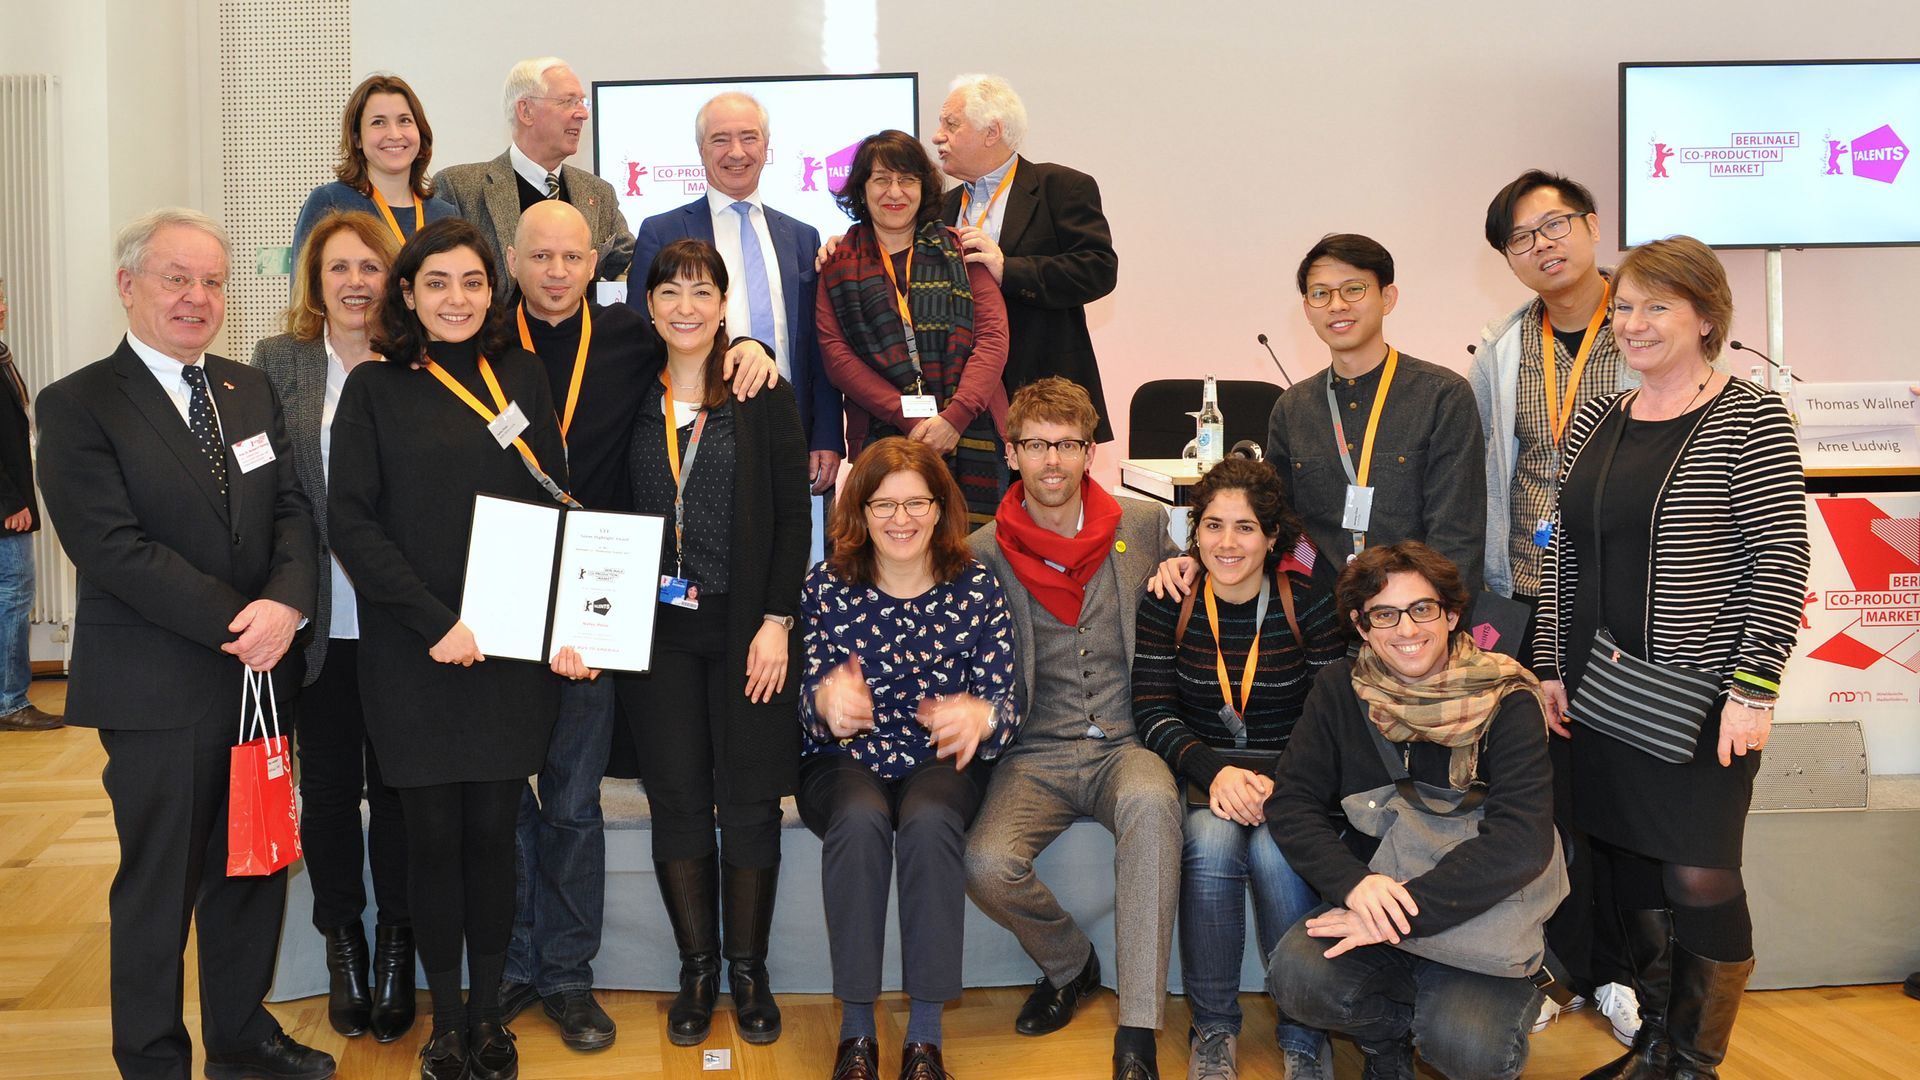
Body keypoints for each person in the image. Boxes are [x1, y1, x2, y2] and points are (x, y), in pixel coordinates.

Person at [36, 208, 331, 1079]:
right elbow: (111, 547)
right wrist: (243, 622)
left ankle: (242, 1043)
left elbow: (290, 513)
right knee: (158, 892)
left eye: (212, 281)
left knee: (251, 872)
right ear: (129, 287)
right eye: (177, 278)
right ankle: (154, 1059)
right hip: (158, 691)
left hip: (260, 683)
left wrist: (286, 605)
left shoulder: (247, 389)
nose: (197, 298)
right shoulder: (79, 403)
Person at [497, 204, 776, 1052]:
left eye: (570, 256)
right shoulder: (519, 349)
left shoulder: (703, 366)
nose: (554, 269)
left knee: (704, 801)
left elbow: (784, 516)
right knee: (623, 798)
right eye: (538, 255)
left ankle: (704, 974)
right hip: (575, 606)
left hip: (679, 615)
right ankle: (650, 971)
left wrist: (777, 619)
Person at [1531, 236, 1810, 1080]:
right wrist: (1548, 664)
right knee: (1628, 866)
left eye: (1657, 306)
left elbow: (1780, 556)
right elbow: (1561, 553)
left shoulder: (1750, 413)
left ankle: (1694, 1060)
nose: (1633, 323)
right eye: (1624, 307)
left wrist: (1754, 688)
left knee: (1698, 874)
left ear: (1706, 317)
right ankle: (1655, 1042)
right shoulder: (1598, 415)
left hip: (1700, 698)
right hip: (1596, 689)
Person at [328, 217, 569, 1080]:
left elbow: (554, 510)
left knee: (493, 837)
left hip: (506, 657)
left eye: (472, 282)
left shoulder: (524, 376)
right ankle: (446, 1023)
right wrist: (435, 622)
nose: (456, 299)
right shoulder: (374, 390)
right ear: (407, 294)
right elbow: (350, 521)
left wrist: (562, 623)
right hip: (414, 652)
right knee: (430, 840)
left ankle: (491, 1019)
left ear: (492, 290)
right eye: (437, 284)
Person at [594, 238, 809, 1051]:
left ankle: (748, 971)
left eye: (701, 291)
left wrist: (776, 621)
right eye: (670, 291)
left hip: (745, 624)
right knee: (677, 798)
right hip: (656, 630)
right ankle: (697, 968)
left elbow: (795, 519)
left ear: (725, 306)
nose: (685, 306)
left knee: (749, 799)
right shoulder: (627, 390)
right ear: (647, 305)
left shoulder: (761, 391)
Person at [1265, 541, 1558, 1080]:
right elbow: (1291, 803)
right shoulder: (1339, 690)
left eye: (1423, 609)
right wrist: (1355, 886)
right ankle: (1388, 1038)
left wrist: (1398, 910)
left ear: (1450, 615)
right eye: (1385, 614)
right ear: (1361, 626)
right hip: (1379, 894)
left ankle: (1458, 1010)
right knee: (1295, 978)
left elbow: (1522, 841)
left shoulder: (1509, 696)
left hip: (1475, 910)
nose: (1407, 630)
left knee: (1469, 1050)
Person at [964, 376, 1182, 1080]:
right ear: (1012, 453)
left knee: (1153, 804)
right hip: (1036, 750)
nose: (1052, 461)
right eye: (1036, 445)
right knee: (986, 863)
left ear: (1090, 452)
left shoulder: (1143, 528)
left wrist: (1186, 570)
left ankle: (1139, 1027)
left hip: (1127, 740)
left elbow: (1208, 578)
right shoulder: (981, 551)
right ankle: (1070, 963)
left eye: (1067, 445)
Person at [1469, 169, 1641, 1041]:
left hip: (1630, 603)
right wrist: (1486, 615)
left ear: (1592, 225)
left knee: (1620, 792)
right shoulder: (1501, 351)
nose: (1543, 245)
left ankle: (1621, 972)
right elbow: (1493, 479)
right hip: (1529, 594)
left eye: (1556, 224)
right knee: (1538, 791)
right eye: (1522, 238)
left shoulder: (1647, 323)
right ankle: (1550, 966)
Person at [797, 437, 1018, 1080]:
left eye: (916, 502)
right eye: (883, 504)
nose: (901, 519)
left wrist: (982, 717)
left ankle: (924, 1039)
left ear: (940, 507)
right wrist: (825, 702)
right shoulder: (827, 585)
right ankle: (856, 1035)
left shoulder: (974, 585)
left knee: (925, 822)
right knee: (863, 821)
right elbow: (804, 702)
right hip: (844, 759)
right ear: (859, 513)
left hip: (938, 761)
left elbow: (1004, 699)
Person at [250, 210, 415, 1045]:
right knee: (326, 793)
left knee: (396, 790)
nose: (356, 281)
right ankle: (343, 940)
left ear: (393, 280)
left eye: (371, 267)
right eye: (338, 267)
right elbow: (266, 495)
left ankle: (396, 945)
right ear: (313, 282)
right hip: (316, 625)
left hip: (400, 623)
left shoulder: (418, 360)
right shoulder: (277, 364)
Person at [1132, 457, 1345, 1080]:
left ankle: (1305, 1035)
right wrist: (1216, 773)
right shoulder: (1166, 599)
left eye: (1246, 528)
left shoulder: (1307, 599)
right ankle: (1215, 1028)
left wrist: (1282, 783)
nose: (1228, 543)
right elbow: (1149, 709)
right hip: (1206, 779)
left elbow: (1330, 715)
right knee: (1207, 842)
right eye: (1214, 526)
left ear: (1273, 537)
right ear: (1194, 532)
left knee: (1281, 853)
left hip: (1295, 781)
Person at [629, 91, 844, 552]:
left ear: (767, 147)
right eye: (720, 139)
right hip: (698, 434)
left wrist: (826, 433)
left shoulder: (802, 236)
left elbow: (817, 348)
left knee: (793, 558)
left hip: (789, 432)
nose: (736, 152)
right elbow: (640, 341)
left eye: (749, 138)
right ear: (701, 150)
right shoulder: (661, 231)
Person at [1263, 234, 1486, 596]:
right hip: (1320, 618)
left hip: (1412, 622)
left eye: (1353, 289)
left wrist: (1437, 619)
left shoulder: (1443, 396)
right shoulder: (1293, 408)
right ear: (1307, 309)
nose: (1336, 305)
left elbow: (1457, 534)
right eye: (1321, 293)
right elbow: (1272, 519)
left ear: (1387, 298)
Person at [818, 129, 1010, 526]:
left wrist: (953, 419)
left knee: (973, 556)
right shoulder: (837, 262)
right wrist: (913, 421)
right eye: (881, 179)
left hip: (969, 432)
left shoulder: (961, 250)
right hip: (880, 436)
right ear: (861, 188)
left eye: (907, 179)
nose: (895, 192)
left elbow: (992, 340)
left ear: (924, 187)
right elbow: (837, 357)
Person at [935, 74, 1119, 443]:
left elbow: (1098, 269)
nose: (938, 136)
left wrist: (1008, 270)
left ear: (992, 132)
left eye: (950, 125)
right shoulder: (942, 207)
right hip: (959, 402)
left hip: (1043, 394)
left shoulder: (1061, 188)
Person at [437, 56, 634, 284]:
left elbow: (633, 263)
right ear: (526, 111)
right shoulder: (459, 189)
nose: (583, 114)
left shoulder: (599, 193)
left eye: (582, 102)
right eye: (568, 101)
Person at [292, 74, 458, 263]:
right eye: (378, 122)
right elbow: (305, 288)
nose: (394, 134)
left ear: (420, 131)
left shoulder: (445, 215)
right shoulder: (331, 202)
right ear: (357, 139)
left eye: (404, 120)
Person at [0, 274, 58, 732]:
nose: (2, 307)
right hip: (6, 508)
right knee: (13, 598)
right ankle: (9, 701)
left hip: (13, 498)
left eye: (1, 298)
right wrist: (9, 500)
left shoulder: (3, 357)